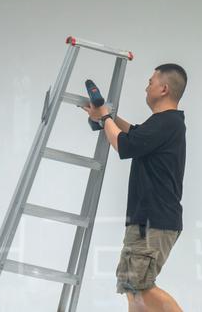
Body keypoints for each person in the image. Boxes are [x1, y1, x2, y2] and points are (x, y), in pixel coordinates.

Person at [81, 64, 188, 312]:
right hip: (147, 220)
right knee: (132, 289)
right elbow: (134, 135)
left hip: (154, 222)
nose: (146, 87)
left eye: (150, 82)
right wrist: (106, 117)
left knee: (139, 287)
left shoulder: (168, 122)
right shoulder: (163, 123)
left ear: (163, 89)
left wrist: (105, 118)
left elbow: (125, 145)